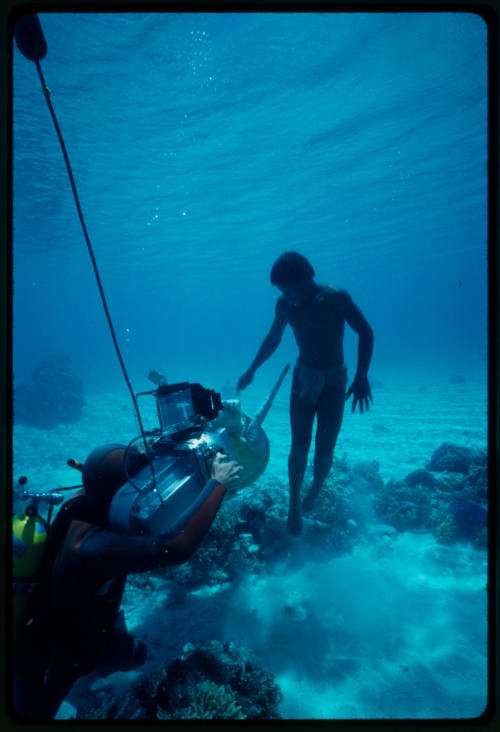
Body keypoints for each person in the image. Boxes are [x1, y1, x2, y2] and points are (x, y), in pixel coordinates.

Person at [12, 444, 241, 721]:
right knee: (38, 709)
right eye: (138, 485)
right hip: (58, 649)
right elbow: (177, 548)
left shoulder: (85, 502)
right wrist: (218, 483)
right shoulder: (91, 546)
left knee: (134, 654)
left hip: (84, 621)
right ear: (121, 494)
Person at [237, 251, 373, 536]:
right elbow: (273, 338)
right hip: (303, 376)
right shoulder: (286, 304)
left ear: (306, 278)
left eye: (289, 287)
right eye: (282, 290)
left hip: (335, 378)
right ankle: (294, 503)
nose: (287, 294)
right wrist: (252, 370)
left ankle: (317, 488)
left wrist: (361, 377)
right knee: (299, 444)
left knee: (325, 445)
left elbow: (366, 332)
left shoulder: (335, 298)